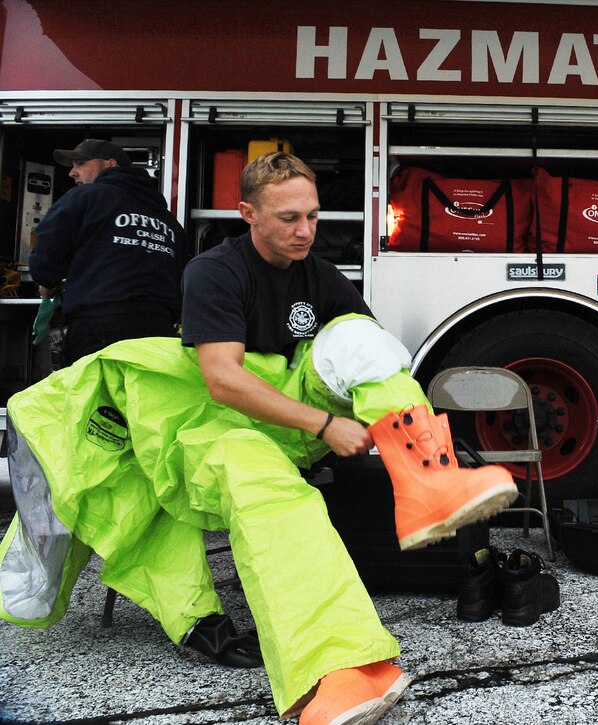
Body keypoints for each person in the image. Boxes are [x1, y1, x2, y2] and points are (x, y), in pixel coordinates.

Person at [0, 152, 519, 725]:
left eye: (314, 218)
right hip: (208, 426)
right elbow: (222, 380)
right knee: (265, 487)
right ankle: (341, 669)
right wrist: (325, 424)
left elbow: (366, 359)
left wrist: (364, 417)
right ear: (248, 213)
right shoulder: (215, 271)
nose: (306, 232)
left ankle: (429, 478)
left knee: (357, 334)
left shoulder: (320, 275)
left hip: (284, 413)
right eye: (290, 219)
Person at [29, 138, 187, 364]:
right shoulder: (169, 222)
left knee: (97, 397)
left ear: (110, 164)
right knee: (142, 398)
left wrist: (47, 281)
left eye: (81, 163)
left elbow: (48, 249)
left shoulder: (85, 197)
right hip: (158, 333)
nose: (72, 172)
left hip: (98, 327)